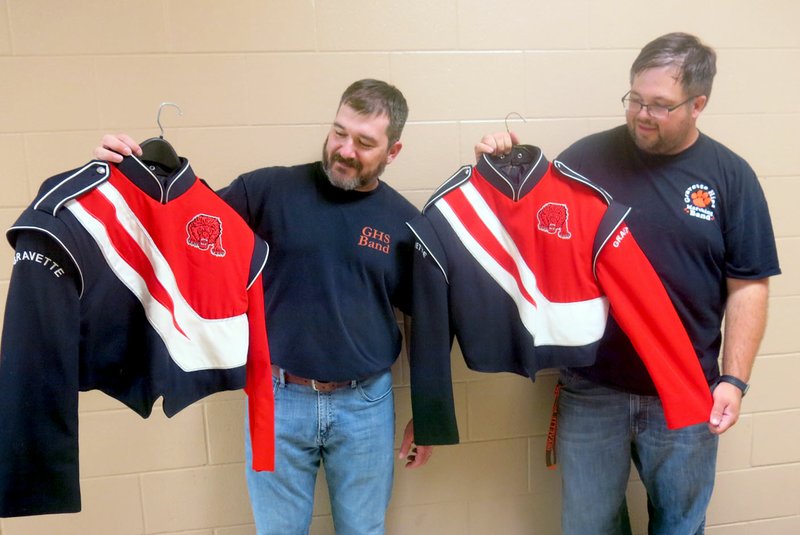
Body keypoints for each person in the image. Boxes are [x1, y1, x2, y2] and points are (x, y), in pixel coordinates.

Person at [94, 79, 433, 535]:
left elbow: (422, 319)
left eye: (365, 142)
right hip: (278, 401)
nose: (345, 150)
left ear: (393, 152)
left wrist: (431, 415)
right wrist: (128, 177)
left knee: (364, 530)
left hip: (365, 406)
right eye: (339, 132)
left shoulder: (404, 222)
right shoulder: (269, 190)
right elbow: (189, 227)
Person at [475, 33, 780, 534]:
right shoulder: (582, 163)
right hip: (592, 387)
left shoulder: (731, 177)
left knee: (680, 525)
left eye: (660, 105)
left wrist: (735, 379)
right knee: (589, 527)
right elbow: (522, 233)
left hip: (686, 389)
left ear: (698, 104)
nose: (641, 113)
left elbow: (748, 285)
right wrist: (499, 166)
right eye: (635, 98)